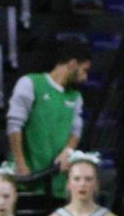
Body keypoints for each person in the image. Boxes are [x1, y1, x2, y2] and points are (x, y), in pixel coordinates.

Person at [8, 41, 90, 199]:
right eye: (84, 70)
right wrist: (20, 164)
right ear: (72, 64)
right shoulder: (30, 83)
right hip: (26, 181)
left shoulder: (76, 97)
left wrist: (68, 150)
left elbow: (76, 131)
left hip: (57, 186)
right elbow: (14, 125)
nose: (85, 77)